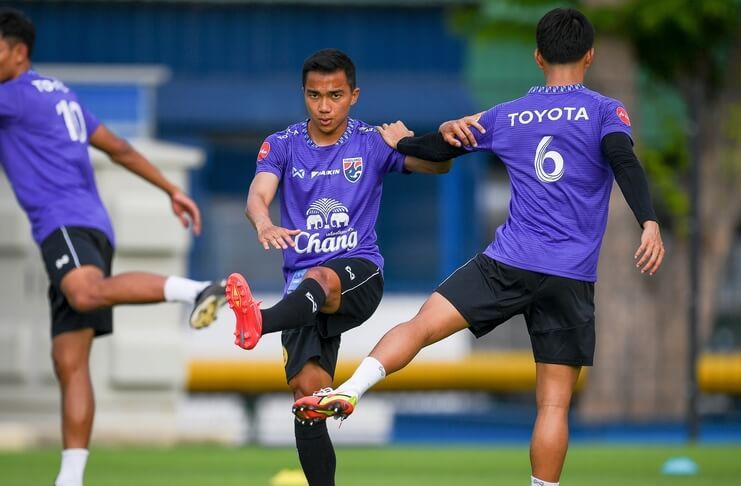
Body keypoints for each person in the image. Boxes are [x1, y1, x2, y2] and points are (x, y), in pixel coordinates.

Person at [292, 8, 665, 486]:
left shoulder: (506, 115)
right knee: (553, 404)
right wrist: (648, 222)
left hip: (507, 263)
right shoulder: (604, 110)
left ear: (537, 57)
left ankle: (352, 387)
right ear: (589, 56)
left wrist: (404, 141)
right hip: (571, 276)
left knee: (422, 325)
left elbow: (440, 147)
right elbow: (622, 159)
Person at [0, 9, 225, 486]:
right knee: (69, 360)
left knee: (84, 292)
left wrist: (169, 189)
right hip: (92, 225)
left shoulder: (12, 96)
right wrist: (171, 188)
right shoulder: (61, 94)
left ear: (19, 52)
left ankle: (197, 289)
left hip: (64, 223)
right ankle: (71, 477)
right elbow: (117, 146)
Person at [224, 48, 450, 486]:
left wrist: (405, 141)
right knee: (308, 398)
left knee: (322, 276)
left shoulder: (371, 142)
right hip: (301, 293)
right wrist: (264, 221)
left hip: (357, 273)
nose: (324, 106)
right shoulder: (284, 143)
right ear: (303, 94)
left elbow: (439, 165)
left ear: (354, 95)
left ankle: (258, 321)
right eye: (314, 95)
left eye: (335, 95)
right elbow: (257, 193)